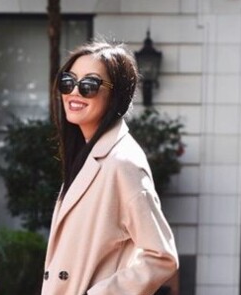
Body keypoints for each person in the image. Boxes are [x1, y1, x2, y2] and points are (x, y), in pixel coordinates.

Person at [41, 40, 179, 295]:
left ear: (116, 95)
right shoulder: (87, 154)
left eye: (89, 85)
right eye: (68, 82)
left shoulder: (122, 162)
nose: (75, 92)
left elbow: (161, 256)